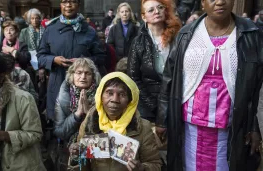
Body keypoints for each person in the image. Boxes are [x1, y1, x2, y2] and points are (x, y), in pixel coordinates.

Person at [157, 0, 263, 170]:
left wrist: (254, 126)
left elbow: (256, 87)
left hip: (231, 126)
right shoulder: (186, 34)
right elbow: (169, 78)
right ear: (203, 3)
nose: (220, 2)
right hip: (190, 126)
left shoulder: (251, 34)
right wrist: (162, 120)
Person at [69, 72, 162, 171]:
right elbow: (82, 166)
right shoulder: (89, 124)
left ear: (130, 101)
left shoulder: (143, 127)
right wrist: (76, 156)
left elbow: (155, 164)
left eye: (122, 94)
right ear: (100, 95)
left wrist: (142, 168)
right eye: (109, 93)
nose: (115, 99)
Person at [37, 0, 106, 119]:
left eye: (72, 2)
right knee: (58, 122)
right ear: (60, 5)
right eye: (65, 2)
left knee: (83, 123)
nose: (68, 5)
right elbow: (41, 56)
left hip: (84, 86)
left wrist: (83, 62)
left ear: (78, 5)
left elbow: (101, 57)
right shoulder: (51, 30)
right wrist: (54, 60)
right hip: (57, 83)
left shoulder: (89, 31)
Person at [128, 0, 181, 125]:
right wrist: (154, 105)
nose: (156, 11)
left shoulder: (178, 38)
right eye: (151, 10)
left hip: (175, 101)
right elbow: (133, 78)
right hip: (148, 107)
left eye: (160, 7)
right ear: (143, 17)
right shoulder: (138, 42)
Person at [54, 58, 101, 142]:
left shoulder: (101, 95)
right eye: (79, 73)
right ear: (72, 75)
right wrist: (77, 115)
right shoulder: (63, 96)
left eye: (87, 73)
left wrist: (89, 113)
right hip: (70, 145)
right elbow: (60, 132)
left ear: (93, 76)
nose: (83, 77)